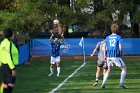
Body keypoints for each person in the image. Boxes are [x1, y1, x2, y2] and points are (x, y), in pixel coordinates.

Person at [101, 23, 127, 89]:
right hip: (115, 55)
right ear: (117, 29)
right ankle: (121, 83)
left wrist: (104, 55)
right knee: (124, 69)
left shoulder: (107, 37)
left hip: (108, 55)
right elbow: (120, 47)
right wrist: (121, 53)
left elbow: (104, 46)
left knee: (109, 69)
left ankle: (103, 83)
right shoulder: (119, 37)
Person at [0, 28, 19, 93]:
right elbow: (8, 56)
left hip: (4, 65)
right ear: (10, 35)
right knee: (11, 84)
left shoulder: (2, 43)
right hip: (9, 66)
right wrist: (13, 68)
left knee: (5, 84)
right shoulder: (8, 43)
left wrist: (1, 65)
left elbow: (1, 54)